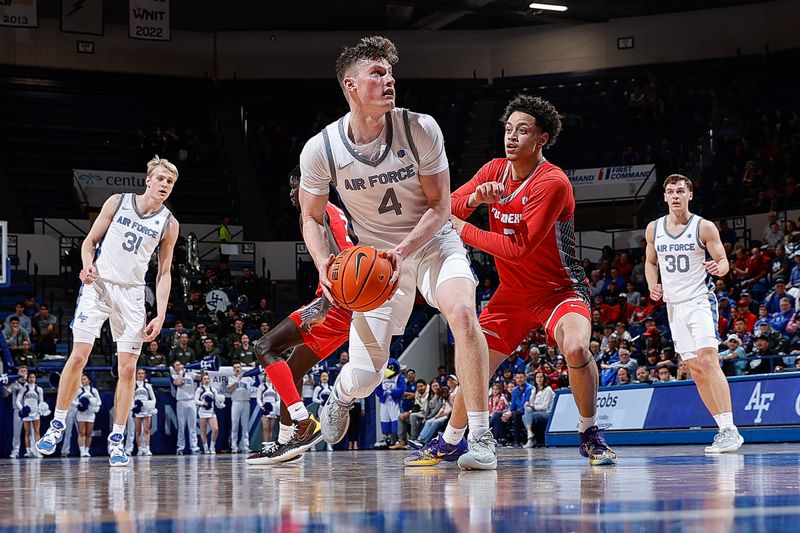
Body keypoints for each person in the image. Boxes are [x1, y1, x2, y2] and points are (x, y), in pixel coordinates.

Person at [298, 35, 492, 469]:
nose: (390, 81)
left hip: (431, 241)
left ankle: (480, 437)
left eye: (391, 73)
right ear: (350, 85)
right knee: (367, 376)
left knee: (463, 314)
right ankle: (342, 393)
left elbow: (442, 205)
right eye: (377, 73)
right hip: (372, 260)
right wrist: (324, 263)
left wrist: (402, 251)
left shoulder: (420, 127)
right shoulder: (321, 148)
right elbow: (311, 217)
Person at [414, 94, 616, 467]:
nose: (511, 137)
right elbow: (448, 205)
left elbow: (518, 249)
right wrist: (475, 197)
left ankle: (589, 432)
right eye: (508, 129)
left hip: (559, 290)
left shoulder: (552, 183)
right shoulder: (493, 170)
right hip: (511, 294)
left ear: (541, 138)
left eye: (522, 131)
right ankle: (452, 439)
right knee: (475, 362)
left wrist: (463, 229)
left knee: (575, 349)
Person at [36, 156, 180, 467]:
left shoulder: (169, 223)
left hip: (132, 296)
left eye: (170, 182)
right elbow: (89, 243)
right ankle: (57, 425)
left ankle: (117, 439)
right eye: (161, 180)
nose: (165, 185)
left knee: (128, 369)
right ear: (148, 180)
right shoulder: (118, 201)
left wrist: (162, 313)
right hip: (98, 286)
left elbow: (164, 272)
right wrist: (87, 265)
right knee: (78, 356)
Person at [246, 166, 356, 465]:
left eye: (295, 186)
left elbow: (339, 257)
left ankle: (303, 422)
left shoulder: (316, 210)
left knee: (264, 347)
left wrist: (325, 303)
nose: (292, 193)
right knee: (291, 372)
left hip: (335, 303)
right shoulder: (336, 211)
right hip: (348, 307)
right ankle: (285, 442)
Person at [646, 173, 743, 453]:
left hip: (700, 300)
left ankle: (730, 429)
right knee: (696, 369)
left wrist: (719, 268)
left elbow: (724, 261)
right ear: (664, 197)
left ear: (690, 195)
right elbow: (650, 262)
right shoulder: (654, 228)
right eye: (670, 192)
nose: (675, 196)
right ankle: (721, 429)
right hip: (674, 306)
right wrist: (653, 285)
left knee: (709, 359)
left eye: (680, 191)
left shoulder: (704, 227)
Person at [171, 360, 201, 455]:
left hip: (191, 400)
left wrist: (203, 369)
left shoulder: (190, 374)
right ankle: (180, 447)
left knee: (192, 426)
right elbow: (178, 383)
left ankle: (194, 447)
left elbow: (200, 377)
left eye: (180, 364)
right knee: (181, 425)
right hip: (181, 401)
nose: (179, 366)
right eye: (177, 365)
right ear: (174, 367)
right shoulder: (174, 375)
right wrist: (181, 373)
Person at [227, 361, 254, 453]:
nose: (237, 369)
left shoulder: (248, 378)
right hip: (236, 402)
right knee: (235, 424)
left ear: (241, 368)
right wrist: (237, 380)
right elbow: (229, 390)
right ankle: (234, 446)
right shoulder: (231, 378)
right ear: (233, 369)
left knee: (245, 425)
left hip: (246, 402)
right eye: (235, 368)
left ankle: (245, 445)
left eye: (238, 367)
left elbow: (253, 387)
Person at [73, 373, 101, 457]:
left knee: (89, 433)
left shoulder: (94, 390)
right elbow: (72, 400)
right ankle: (82, 451)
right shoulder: (79, 390)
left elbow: (99, 401)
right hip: (81, 413)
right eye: (82, 379)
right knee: (81, 432)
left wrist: (96, 406)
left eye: (84, 379)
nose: (82, 381)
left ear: (89, 380)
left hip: (90, 414)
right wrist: (79, 404)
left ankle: (87, 451)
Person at [524, 371, 555, 447]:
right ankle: (530, 436)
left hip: (547, 413)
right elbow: (531, 402)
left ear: (544, 379)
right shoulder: (534, 389)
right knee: (525, 414)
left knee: (529, 415)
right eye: (537, 377)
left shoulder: (548, 389)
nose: (539, 379)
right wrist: (528, 404)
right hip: (536, 411)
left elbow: (545, 407)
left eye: (541, 377)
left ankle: (531, 438)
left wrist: (532, 406)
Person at [17, 372, 44, 457]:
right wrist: (22, 409)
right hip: (26, 413)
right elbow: (18, 400)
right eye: (30, 377)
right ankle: (28, 451)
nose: (31, 379)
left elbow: (41, 401)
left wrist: (40, 409)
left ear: (35, 379)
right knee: (27, 432)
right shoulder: (24, 389)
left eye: (33, 377)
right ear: (27, 379)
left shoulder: (39, 389)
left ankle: (37, 451)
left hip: (36, 413)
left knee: (37, 431)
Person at [132, 369, 157, 456]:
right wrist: (134, 406)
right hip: (137, 409)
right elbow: (131, 397)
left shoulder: (148, 386)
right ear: (135, 375)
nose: (140, 375)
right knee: (138, 430)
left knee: (146, 430)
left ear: (145, 375)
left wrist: (151, 405)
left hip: (146, 409)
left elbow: (153, 398)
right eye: (138, 373)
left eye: (142, 373)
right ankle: (139, 449)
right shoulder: (133, 385)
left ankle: (147, 448)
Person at [5, 365, 28, 458]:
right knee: (16, 432)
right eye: (21, 371)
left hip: (30, 412)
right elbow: (5, 394)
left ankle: (31, 450)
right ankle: (15, 450)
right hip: (17, 411)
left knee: (30, 432)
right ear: (18, 373)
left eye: (25, 371)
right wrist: (3, 384)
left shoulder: (30, 384)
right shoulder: (14, 384)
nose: (23, 373)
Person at [195, 372, 220, 454]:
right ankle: (206, 448)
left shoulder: (213, 390)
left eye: (208, 378)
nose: (206, 380)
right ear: (202, 381)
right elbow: (196, 400)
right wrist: (203, 403)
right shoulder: (200, 389)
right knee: (203, 431)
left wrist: (220, 404)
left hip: (211, 412)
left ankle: (212, 447)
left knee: (215, 429)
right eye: (204, 379)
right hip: (202, 412)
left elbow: (217, 401)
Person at [256, 371, 280, 445]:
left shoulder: (275, 386)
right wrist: (263, 407)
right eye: (267, 376)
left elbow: (278, 398)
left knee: (270, 428)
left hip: (273, 409)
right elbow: (258, 399)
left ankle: (269, 445)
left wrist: (275, 406)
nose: (269, 378)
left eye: (270, 376)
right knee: (265, 428)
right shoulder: (262, 386)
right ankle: (265, 445)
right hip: (265, 409)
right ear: (265, 377)